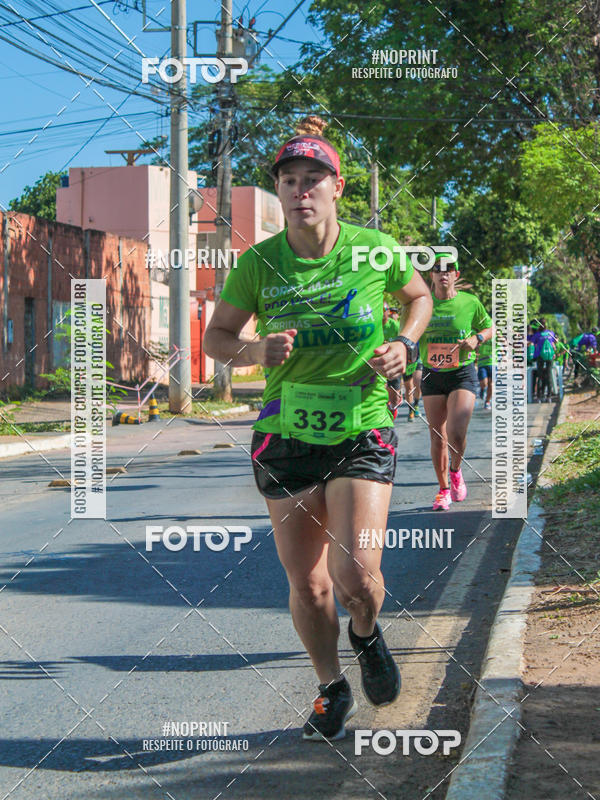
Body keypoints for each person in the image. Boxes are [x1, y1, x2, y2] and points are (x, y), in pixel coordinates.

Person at [203, 116, 432, 742]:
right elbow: (215, 337)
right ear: (279, 192)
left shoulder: (373, 249)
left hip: (362, 427)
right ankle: (331, 686)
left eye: (313, 180)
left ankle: (365, 631)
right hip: (287, 435)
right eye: (289, 180)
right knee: (306, 582)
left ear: (336, 189)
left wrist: (406, 346)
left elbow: (419, 298)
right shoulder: (259, 265)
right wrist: (254, 354)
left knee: (357, 578)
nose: (300, 190)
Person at [419, 253, 493, 511]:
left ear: (455, 275)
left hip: (461, 372)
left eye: (448, 269)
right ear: (432, 275)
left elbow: (489, 327)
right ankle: (442, 491)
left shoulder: (470, 302)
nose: (443, 273)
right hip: (431, 374)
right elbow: (407, 332)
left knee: (457, 434)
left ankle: (456, 469)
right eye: (437, 269)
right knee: (437, 436)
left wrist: (478, 339)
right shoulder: (423, 304)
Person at [532, 318, 558, 402]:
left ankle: (540, 395)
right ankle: (549, 396)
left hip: (540, 356)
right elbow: (555, 342)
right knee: (549, 374)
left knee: (540, 376)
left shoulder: (537, 334)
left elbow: (533, 343)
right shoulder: (551, 333)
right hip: (549, 356)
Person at [476, 336, 495, 410]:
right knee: (484, 383)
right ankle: (482, 389)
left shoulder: (496, 335)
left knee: (491, 383)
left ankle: (487, 402)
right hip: (482, 363)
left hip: (493, 363)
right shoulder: (480, 335)